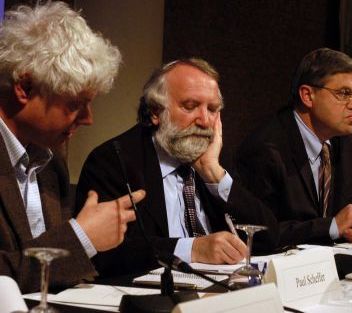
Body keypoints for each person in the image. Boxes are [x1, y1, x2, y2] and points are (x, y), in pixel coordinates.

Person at [76, 58, 279, 277]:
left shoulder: (216, 158)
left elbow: (267, 239)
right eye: (190, 106)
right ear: (155, 112)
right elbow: (111, 254)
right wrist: (193, 249)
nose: (204, 120)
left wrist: (213, 174)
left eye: (212, 110)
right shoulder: (114, 160)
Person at [0, 2, 145, 293]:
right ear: (25, 88)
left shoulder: (51, 164)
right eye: (74, 104)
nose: (89, 119)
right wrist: (81, 238)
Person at [234, 48, 352, 247]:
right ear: (308, 96)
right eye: (344, 93)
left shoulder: (345, 140)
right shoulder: (266, 149)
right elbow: (259, 232)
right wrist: (332, 227)